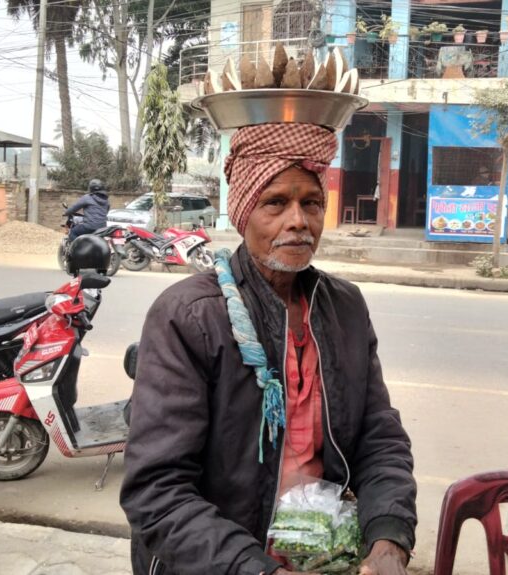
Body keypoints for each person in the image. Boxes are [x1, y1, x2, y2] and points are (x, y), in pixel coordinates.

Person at [120, 122, 417, 575]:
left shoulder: (345, 307)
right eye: (276, 203)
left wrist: (389, 538)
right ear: (244, 212)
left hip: (321, 556)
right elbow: (156, 490)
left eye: (311, 203)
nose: (298, 221)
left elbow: (379, 438)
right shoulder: (189, 316)